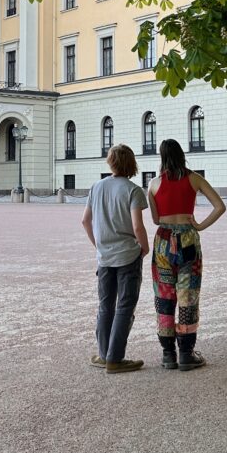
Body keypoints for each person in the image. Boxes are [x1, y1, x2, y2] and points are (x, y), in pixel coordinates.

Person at [147, 138, 226, 371]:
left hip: (163, 240)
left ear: (162, 157)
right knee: (188, 296)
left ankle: (168, 354)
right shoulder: (194, 178)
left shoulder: (153, 184)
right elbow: (219, 206)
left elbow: (154, 219)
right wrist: (199, 225)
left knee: (164, 297)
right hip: (188, 239)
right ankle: (186, 354)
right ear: (182, 154)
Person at [82, 143, 150, 374]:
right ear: (131, 164)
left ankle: (103, 355)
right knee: (125, 305)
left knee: (105, 305)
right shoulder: (133, 190)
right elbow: (137, 226)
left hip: (104, 256)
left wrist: (98, 244)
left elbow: (85, 221)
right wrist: (144, 247)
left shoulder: (96, 187)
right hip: (128, 255)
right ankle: (115, 358)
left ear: (110, 162)